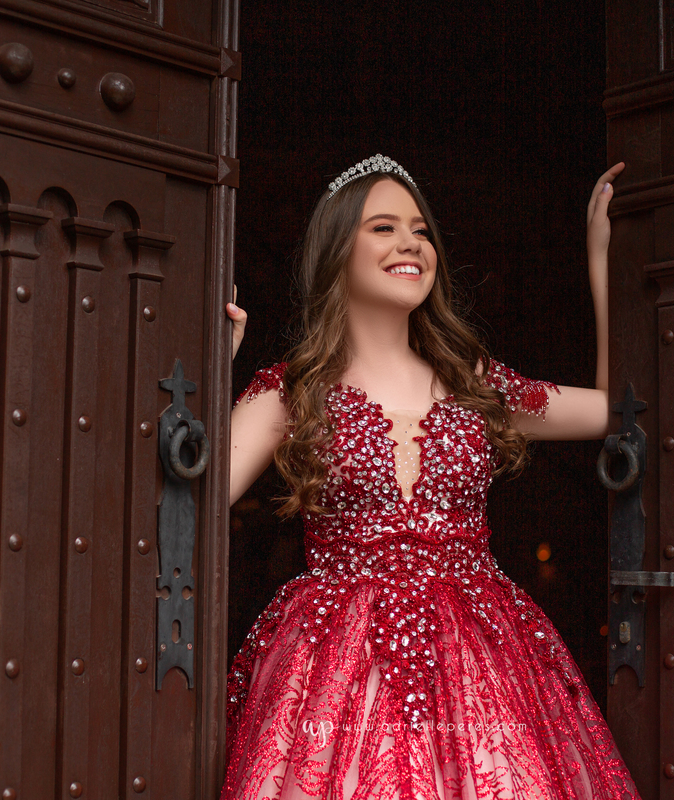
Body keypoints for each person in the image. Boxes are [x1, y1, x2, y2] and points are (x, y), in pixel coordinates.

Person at [221, 154, 637, 800]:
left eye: (419, 229)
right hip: (336, 662)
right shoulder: (292, 392)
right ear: (337, 251)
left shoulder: (474, 382)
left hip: (482, 659)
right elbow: (192, 494)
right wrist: (213, 357)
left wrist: (602, 260)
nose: (411, 242)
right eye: (383, 227)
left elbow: (613, 411)